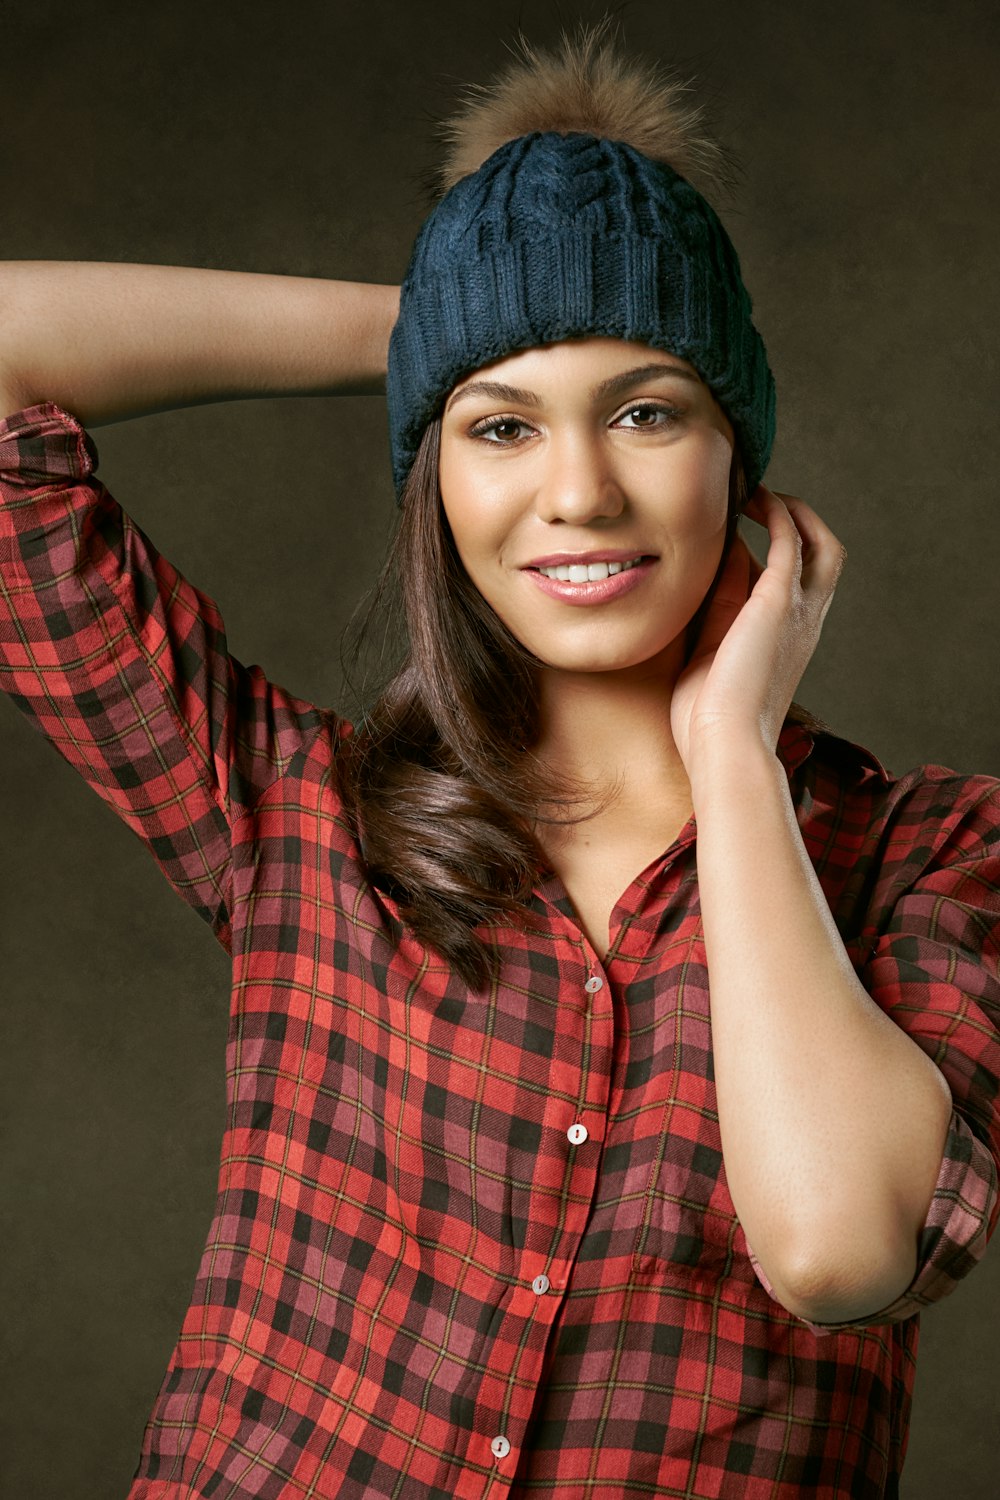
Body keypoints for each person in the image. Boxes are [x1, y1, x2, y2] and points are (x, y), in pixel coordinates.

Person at [1, 22, 997, 1500]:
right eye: (502, 425)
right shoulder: (293, 811)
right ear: (437, 479)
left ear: (744, 457)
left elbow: (839, 1250)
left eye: (648, 410)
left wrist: (729, 752)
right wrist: (442, 318)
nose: (580, 490)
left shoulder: (936, 856)